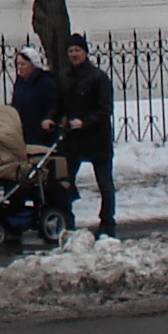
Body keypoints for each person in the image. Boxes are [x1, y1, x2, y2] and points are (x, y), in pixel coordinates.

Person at [58, 31, 118, 238]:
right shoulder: (66, 78)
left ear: (85, 52)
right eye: (71, 51)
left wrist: (85, 122)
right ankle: (67, 219)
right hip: (74, 140)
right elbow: (61, 104)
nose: (74, 54)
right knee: (65, 180)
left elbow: (106, 108)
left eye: (77, 50)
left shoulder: (97, 77)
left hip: (97, 139)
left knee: (104, 184)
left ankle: (108, 222)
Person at [9, 45, 60, 149]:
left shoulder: (45, 83)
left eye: (23, 64)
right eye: (18, 64)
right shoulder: (20, 83)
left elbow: (53, 105)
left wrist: (48, 119)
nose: (19, 67)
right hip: (22, 131)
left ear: (33, 65)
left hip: (40, 134)